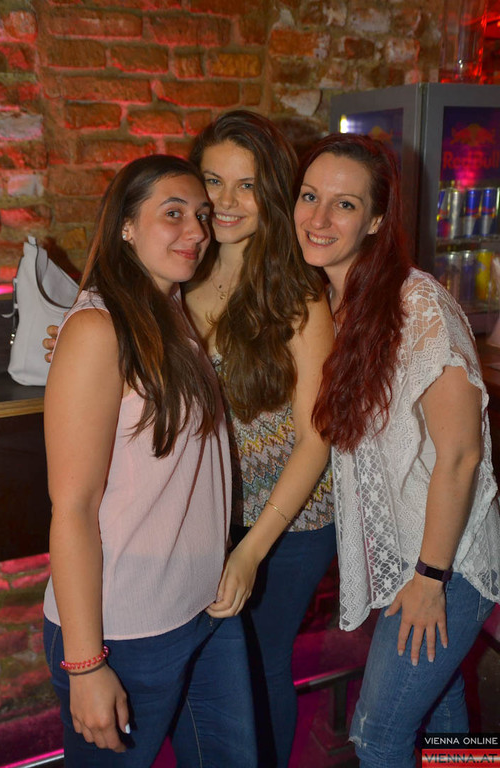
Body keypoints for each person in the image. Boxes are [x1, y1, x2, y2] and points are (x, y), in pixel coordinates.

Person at [42, 154, 257, 768]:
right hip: (126, 628)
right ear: (126, 227)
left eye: (202, 215)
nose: (196, 231)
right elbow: (73, 508)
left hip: (204, 607)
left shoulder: (169, 309)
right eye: (173, 214)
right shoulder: (97, 329)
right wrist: (86, 664)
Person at [293, 132, 500, 767]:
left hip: (447, 560)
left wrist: (429, 579)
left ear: (378, 220)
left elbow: (461, 455)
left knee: (378, 733)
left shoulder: (418, 304)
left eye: (345, 204)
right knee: (439, 706)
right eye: (309, 196)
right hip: (404, 555)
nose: (319, 218)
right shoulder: (332, 302)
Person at [184, 111, 336, 768]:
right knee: (209, 661)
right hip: (206, 513)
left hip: (291, 521)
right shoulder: (178, 274)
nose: (226, 201)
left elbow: (317, 439)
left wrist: (250, 551)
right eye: (212, 180)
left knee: (258, 660)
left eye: (246, 185)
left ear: (271, 192)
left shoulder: (297, 295)